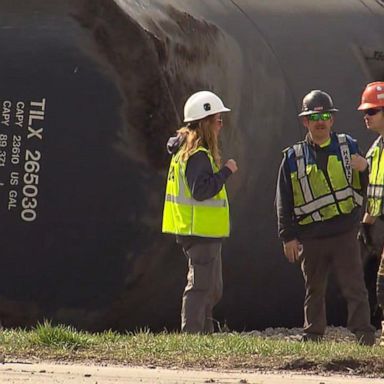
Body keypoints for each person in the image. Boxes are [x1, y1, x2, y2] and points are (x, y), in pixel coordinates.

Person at [275, 89, 375, 345]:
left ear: (332, 120)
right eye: (314, 117)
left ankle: (363, 334)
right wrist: (288, 237)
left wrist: (365, 170)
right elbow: (283, 200)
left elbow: (368, 187)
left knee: (355, 287)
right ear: (305, 121)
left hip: (344, 233)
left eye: (325, 116)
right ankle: (313, 334)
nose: (320, 121)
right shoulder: (292, 158)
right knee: (314, 289)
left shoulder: (348, 146)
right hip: (312, 237)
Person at [162, 90, 238, 333]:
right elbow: (200, 190)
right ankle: (192, 335)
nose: (220, 125)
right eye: (217, 120)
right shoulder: (197, 156)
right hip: (199, 232)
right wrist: (225, 172)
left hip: (198, 230)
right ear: (205, 122)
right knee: (199, 286)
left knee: (211, 287)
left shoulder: (187, 152)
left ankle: (204, 333)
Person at [357, 81, 384, 346]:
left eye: (372, 111)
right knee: (377, 283)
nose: (366, 116)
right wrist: (368, 221)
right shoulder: (376, 149)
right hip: (377, 225)